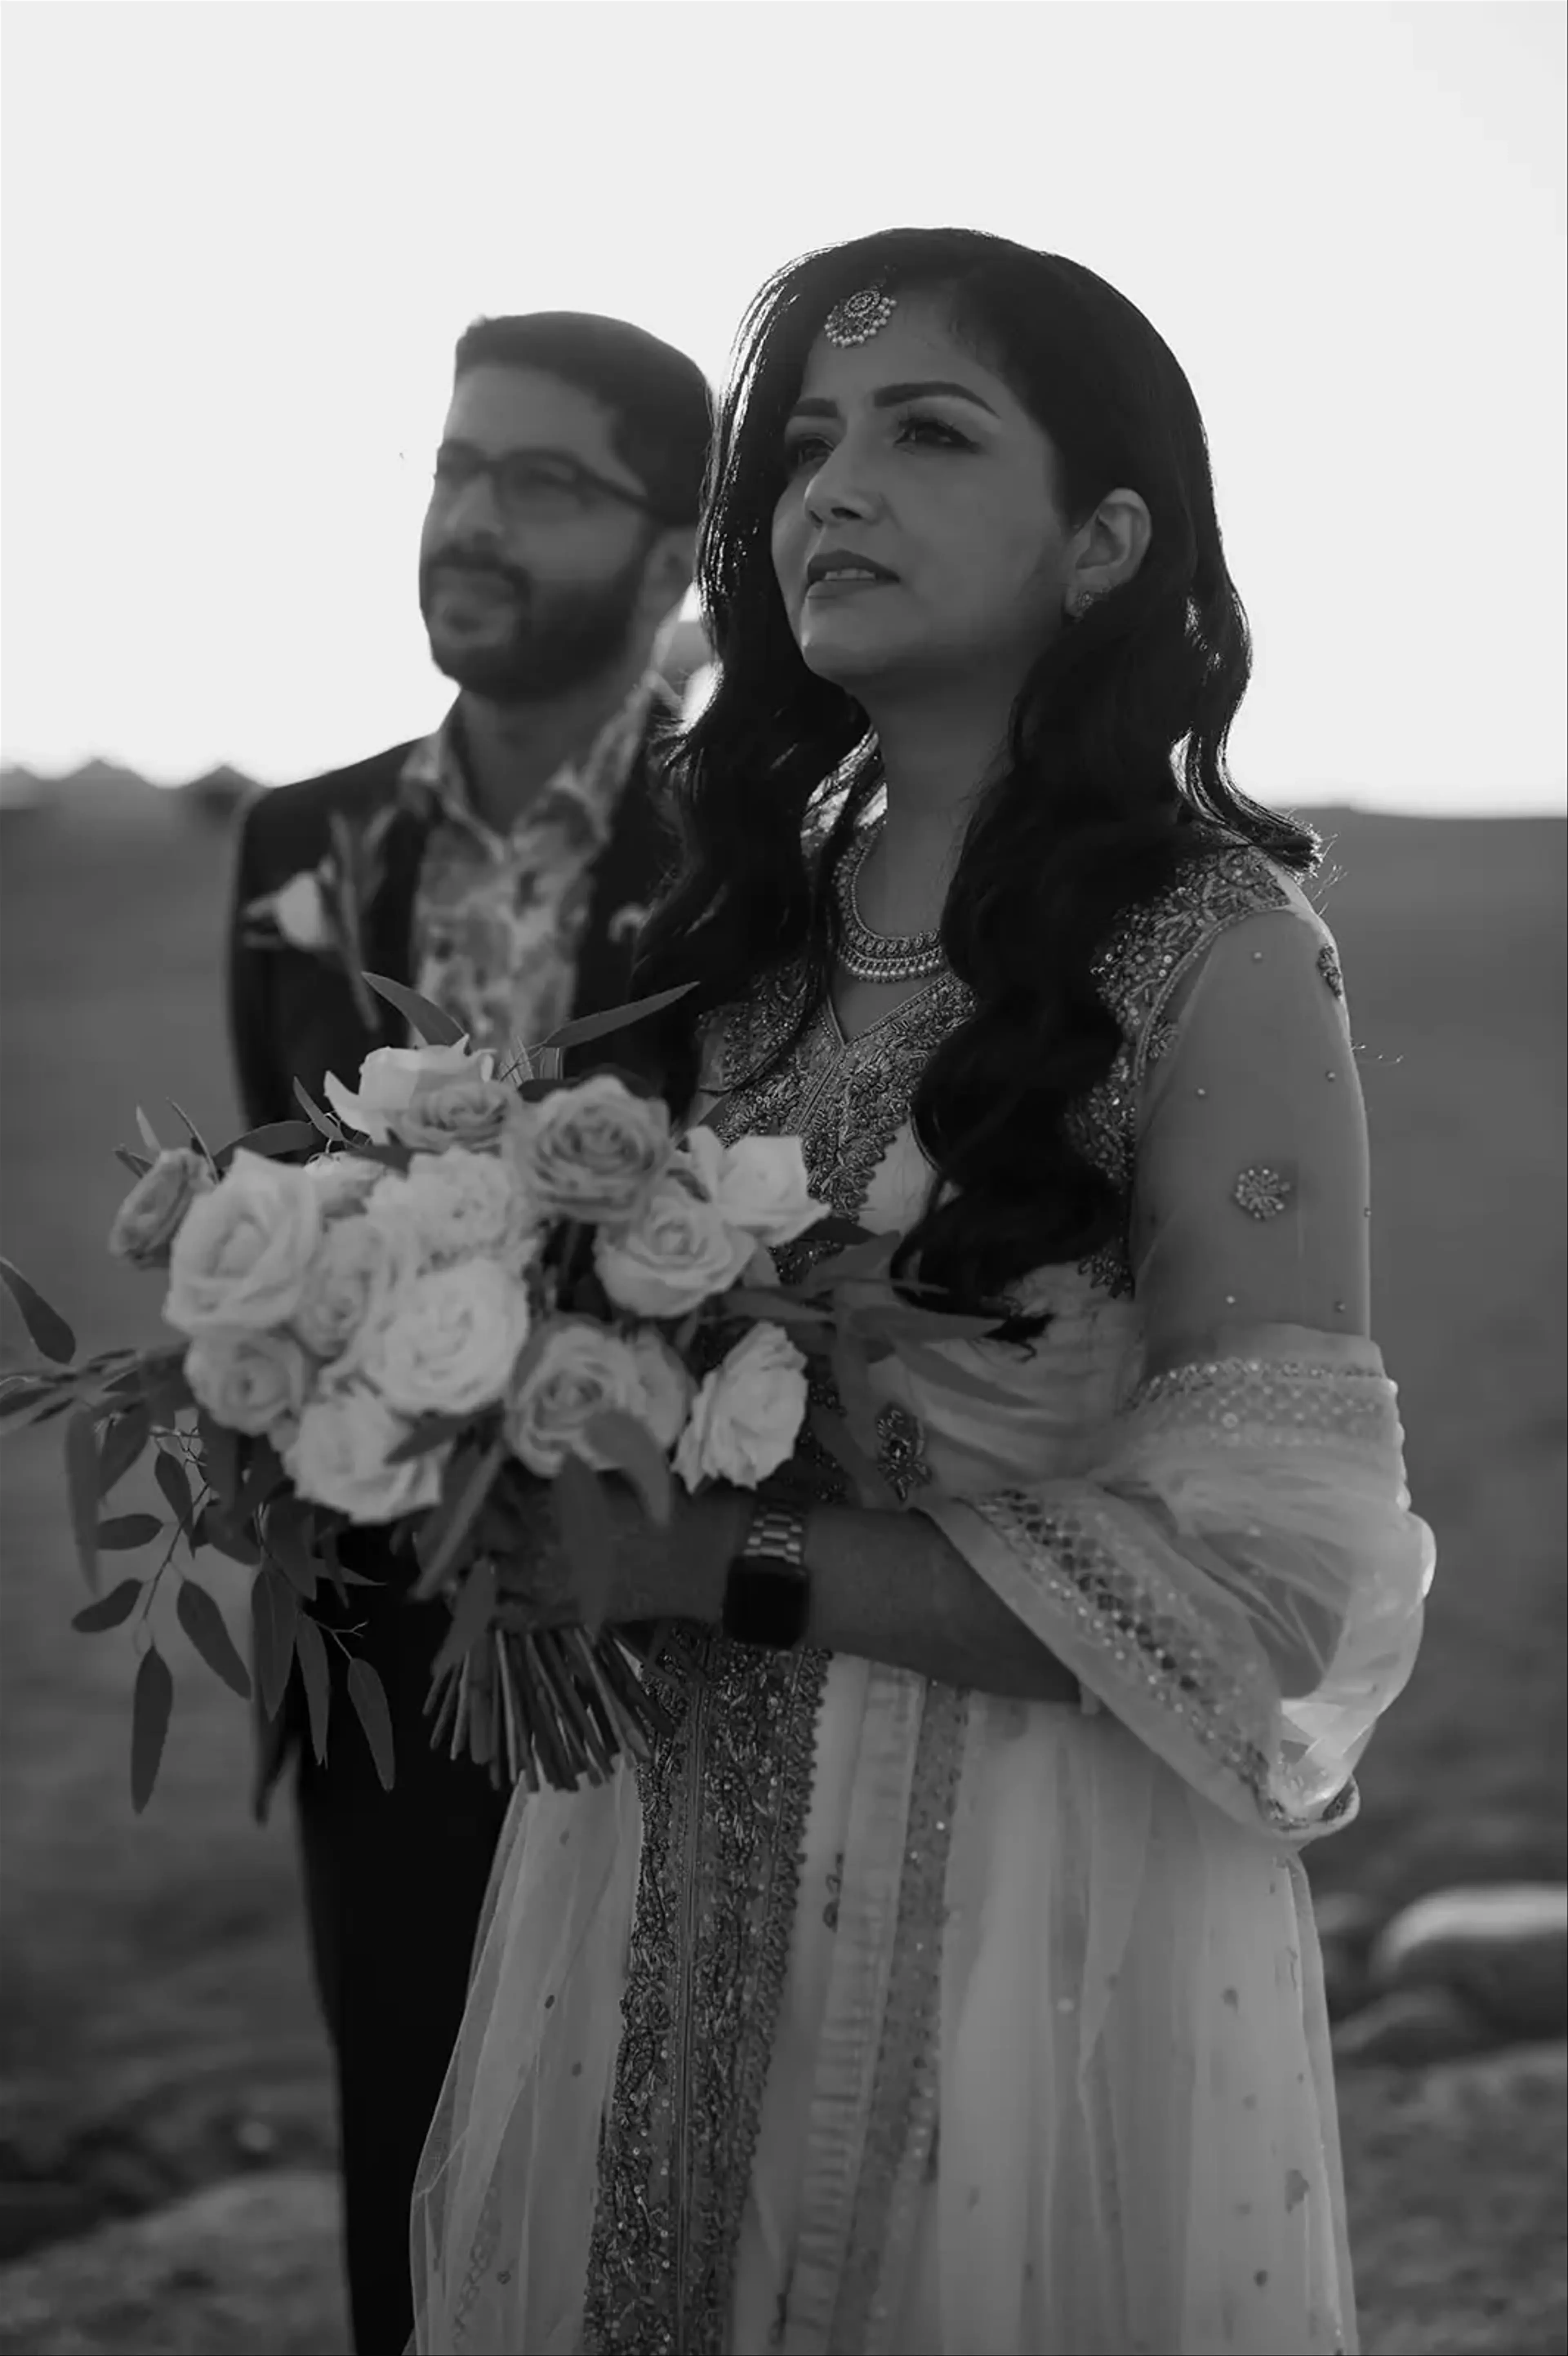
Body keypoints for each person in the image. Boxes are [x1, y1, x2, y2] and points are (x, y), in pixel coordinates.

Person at [411, 231, 1435, 2356]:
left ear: (1108, 541)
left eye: (929, 433)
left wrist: (718, 1553)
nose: (829, 492)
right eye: (800, 446)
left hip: (1009, 1923)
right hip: (639, 1870)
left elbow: (1268, 1590)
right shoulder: (737, 926)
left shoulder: (1209, 953)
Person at [225, 308, 713, 2356]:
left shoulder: (764, 849)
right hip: (379, 1638)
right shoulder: (297, 847)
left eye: (543, 481)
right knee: (410, 2180)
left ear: (681, 553)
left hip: (667, 1638)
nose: (473, 519)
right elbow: (285, 1187)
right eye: (453, 467)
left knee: (673, 2168)